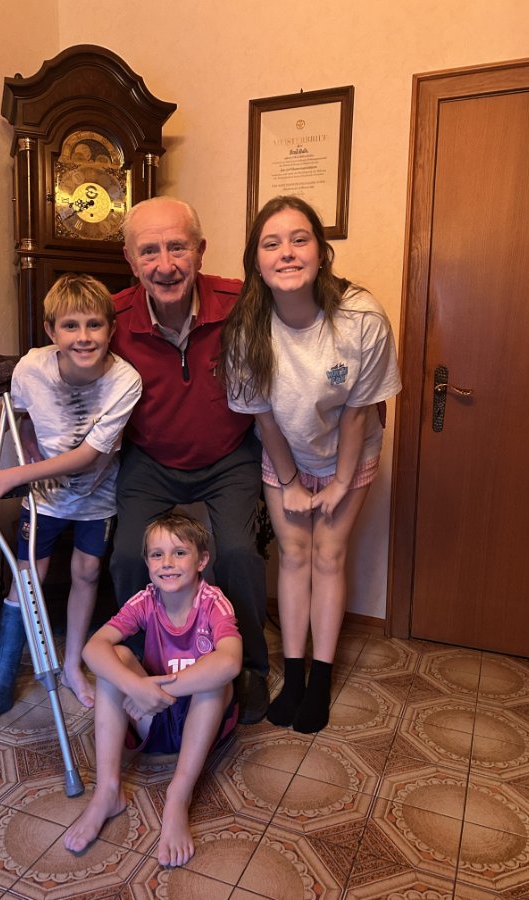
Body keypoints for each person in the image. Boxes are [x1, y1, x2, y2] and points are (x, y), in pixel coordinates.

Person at [221, 196, 402, 734]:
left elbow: (358, 412)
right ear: (256, 262)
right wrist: (292, 482)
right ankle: (294, 678)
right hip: (286, 453)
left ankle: (320, 680)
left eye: (300, 240)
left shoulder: (362, 318)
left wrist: (341, 482)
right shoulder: (247, 329)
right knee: (294, 556)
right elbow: (264, 417)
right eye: (271, 243)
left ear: (321, 252)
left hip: (350, 450)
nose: (287, 252)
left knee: (328, 555)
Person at [0, 274, 142, 727]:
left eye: (94, 325)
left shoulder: (125, 381)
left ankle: (72, 666)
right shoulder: (33, 367)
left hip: (96, 495)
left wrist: (11, 474)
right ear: (51, 331)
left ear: (111, 328)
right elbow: (7, 411)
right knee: (27, 579)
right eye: (70, 326)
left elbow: (89, 456)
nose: (83, 337)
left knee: (87, 573)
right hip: (45, 498)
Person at [108, 196, 269, 724]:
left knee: (239, 553)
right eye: (149, 251)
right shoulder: (111, 316)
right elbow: (53, 365)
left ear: (200, 250)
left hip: (228, 456)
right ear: (131, 260)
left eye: (178, 247)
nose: (165, 264)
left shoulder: (240, 302)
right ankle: (141, 664)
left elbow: (305, 320)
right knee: (128, 557)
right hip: (151, 459)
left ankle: (251, 667)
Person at [63, 512, 241, 865]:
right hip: (151, 717)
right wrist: (135, 686)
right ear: (147, 563)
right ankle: (107, 791)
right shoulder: (145, 600)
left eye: (179, 552)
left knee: (215, 678)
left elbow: (231, 662)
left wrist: (160, 691)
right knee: (115, 658)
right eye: (157, 554)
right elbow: (92, 649)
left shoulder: (213, 601)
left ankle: (178, 796)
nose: (167, 563)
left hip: (200, 722)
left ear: (202, 560)